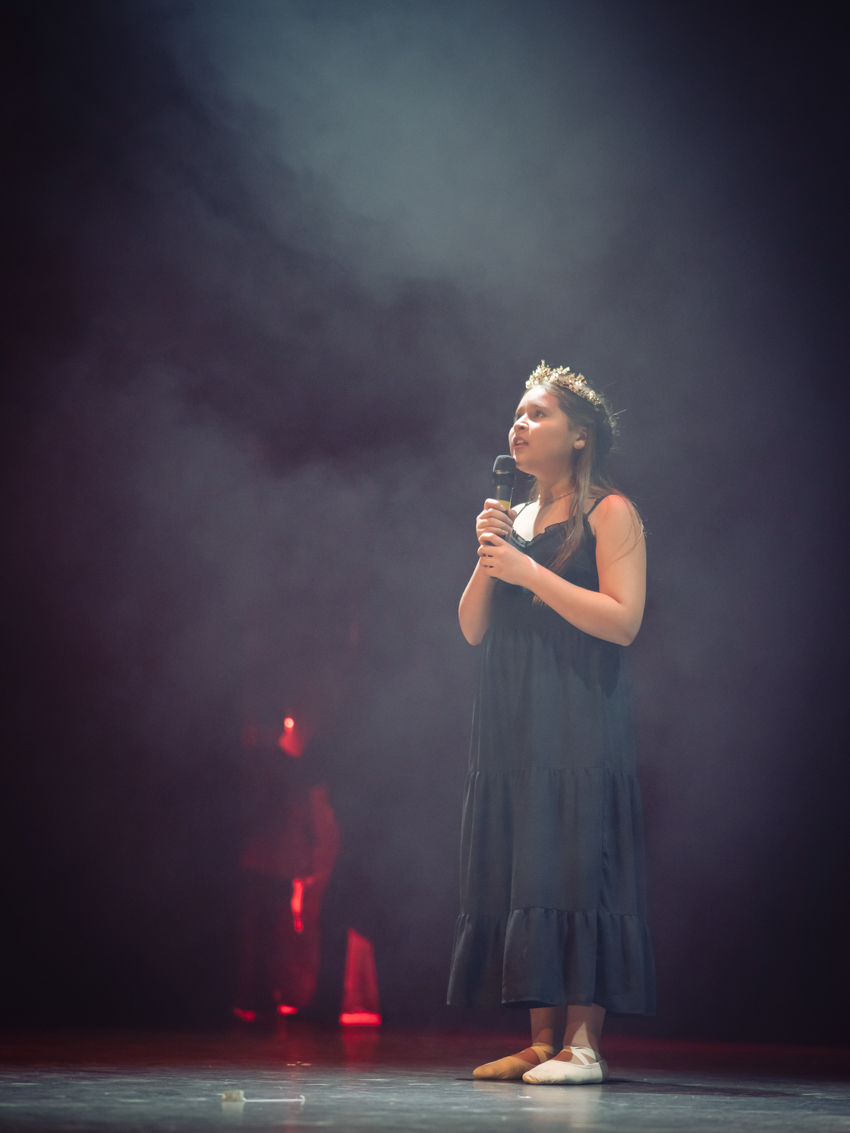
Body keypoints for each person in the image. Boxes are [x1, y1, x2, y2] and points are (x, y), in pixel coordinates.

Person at [447, 361, 654, 1085]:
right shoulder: (514, 519)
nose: (520, 425)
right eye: (517, 413)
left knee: (577, 858)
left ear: (580, 434)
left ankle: (584, 1044)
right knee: (526, 860)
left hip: (578, 709)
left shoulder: (611, 512)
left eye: (538, 414)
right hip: (513, 714)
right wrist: (488, 556)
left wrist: (530, 572)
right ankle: (540, 1040)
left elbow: (623, 621)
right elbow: (472, 627)